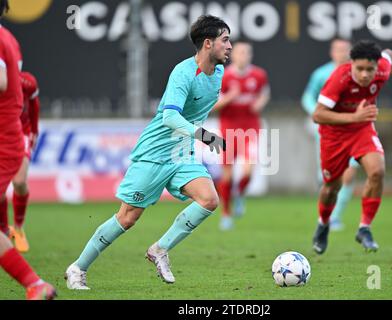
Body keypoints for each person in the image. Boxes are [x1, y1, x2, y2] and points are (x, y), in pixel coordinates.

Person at [65, 15, 231, 289]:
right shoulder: (183, 73)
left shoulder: (219, 74)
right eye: (225, 40)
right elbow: (169, 118)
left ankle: (160, 249)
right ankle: (77, 268)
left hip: (182, 153)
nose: (229, 46)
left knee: (209, 199)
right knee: (128, 217)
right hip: (155, 152)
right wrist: (205, 135)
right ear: (207, 43)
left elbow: (197, 110)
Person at [311, 40, 392, 254]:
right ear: (351, 63)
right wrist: (353, 116)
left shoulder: (382, 67)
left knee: (378, 171)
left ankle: (364, 228)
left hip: (362, 130)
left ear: (377, 66)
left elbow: (390, 53)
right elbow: (317, 115)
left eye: (369, 69)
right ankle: (323, 223)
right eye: (360, 69)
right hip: (333, 135)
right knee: (331, 187)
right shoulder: (339, 79)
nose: (365, 74)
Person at [0, 0, 56, 299]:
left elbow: (1, 81)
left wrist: (29, 141)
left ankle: (33, 281)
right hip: (6, 136)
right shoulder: (8, 37)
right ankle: (34, 284)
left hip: (7, 138)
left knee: (20, 183)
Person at [213, 41, 270, 231]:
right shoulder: (223, 76)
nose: (243, 56)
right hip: (228, 129)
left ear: (250, 56)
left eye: (246, 53)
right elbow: (214, 105)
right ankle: (226, 214)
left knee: (248, 171)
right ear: (233, 55)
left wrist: (260, 103)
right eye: (240, 52)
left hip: (250, 128)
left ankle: (238, 194)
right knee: (227, 175)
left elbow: (264, 94)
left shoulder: (259, 75)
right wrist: (230, 97)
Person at [301, 38, 356, 232]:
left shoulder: (357, 72)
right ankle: (326, 214)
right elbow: (307, 97)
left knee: (349, 174)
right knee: (329, 176)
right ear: (332, 52)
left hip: (351, 129)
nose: (341, 52)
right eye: (338, 49)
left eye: (345, 49)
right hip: (327, 130)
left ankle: (334, 217)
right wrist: (317, 113)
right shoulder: (321, 74)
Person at [0, 71, 40, 252]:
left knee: (19, 182)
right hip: (2, 133)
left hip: (21, 133)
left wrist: (34, 131)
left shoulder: (27, 81)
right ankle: (4, 231)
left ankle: (18, 227)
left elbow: (34, 105)